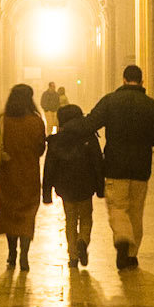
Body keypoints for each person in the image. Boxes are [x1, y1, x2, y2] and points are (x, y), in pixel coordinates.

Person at [85, 64, 154, 270]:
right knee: (136, 211)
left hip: (115, 166)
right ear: (141, 81)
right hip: (141, 168)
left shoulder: (110, 101)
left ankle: (122, 239)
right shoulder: (152, 105)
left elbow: (91, 123)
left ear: (123, 80)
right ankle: (131, 255)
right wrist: (144, 141)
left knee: (118, 207)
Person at [0, 83, 47, 270]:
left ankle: (11, 252)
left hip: (7, 176)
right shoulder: (36, 121)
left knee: (9, 214)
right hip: (29, 175)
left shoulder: (3, 120)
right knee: (27, 215)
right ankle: (24, 254)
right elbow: (40, 149)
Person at [40, 102, 104, 267]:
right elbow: (98, 163)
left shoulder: (56, 140)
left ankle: (73, 256)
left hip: (65, 188)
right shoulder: (89, 137)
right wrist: (100, 187)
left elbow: (49, 168)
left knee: (70, 220)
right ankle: (83, 240)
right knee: (86, 217)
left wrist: (46, 193)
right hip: (86, 186)